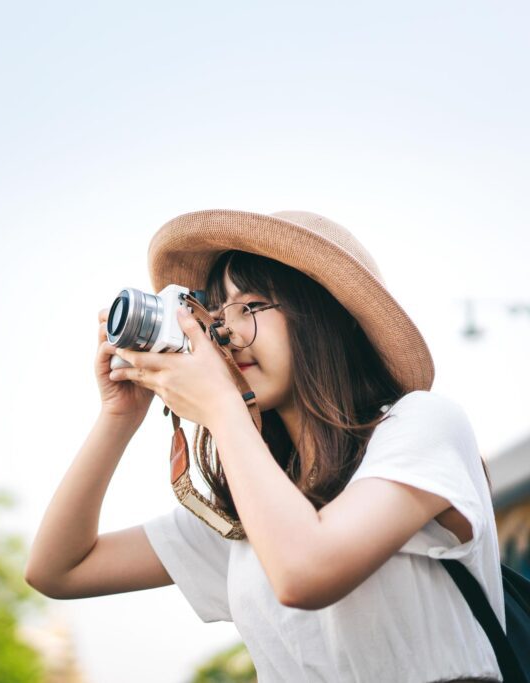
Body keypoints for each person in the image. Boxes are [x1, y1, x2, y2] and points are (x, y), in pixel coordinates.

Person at [25, 210, 504, 683]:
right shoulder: (255, 507)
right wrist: (119, 416)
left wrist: (220, 407)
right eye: (215, 313)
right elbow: (59, 570)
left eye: (250, 306)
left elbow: (305, 573)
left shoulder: (421, 422)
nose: (225, 333)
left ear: (327, 317)